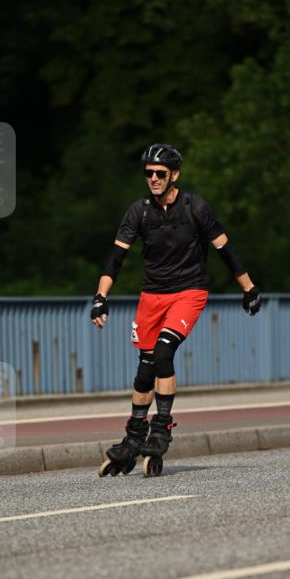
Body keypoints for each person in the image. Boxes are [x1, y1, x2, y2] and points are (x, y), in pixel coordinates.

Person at [90, 143, 261, 472]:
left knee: (164, 354)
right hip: (152, 296)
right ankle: (133, 437)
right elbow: (116, 258)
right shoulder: (138, 212)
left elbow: (226, 250)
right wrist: (100, 297)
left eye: (160, 173)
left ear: (175, 175)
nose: (153, 178)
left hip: (189, 291)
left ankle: (161, 429)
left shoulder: (195, 208)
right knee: (144, 370)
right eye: (148, 173)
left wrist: (249, 288)